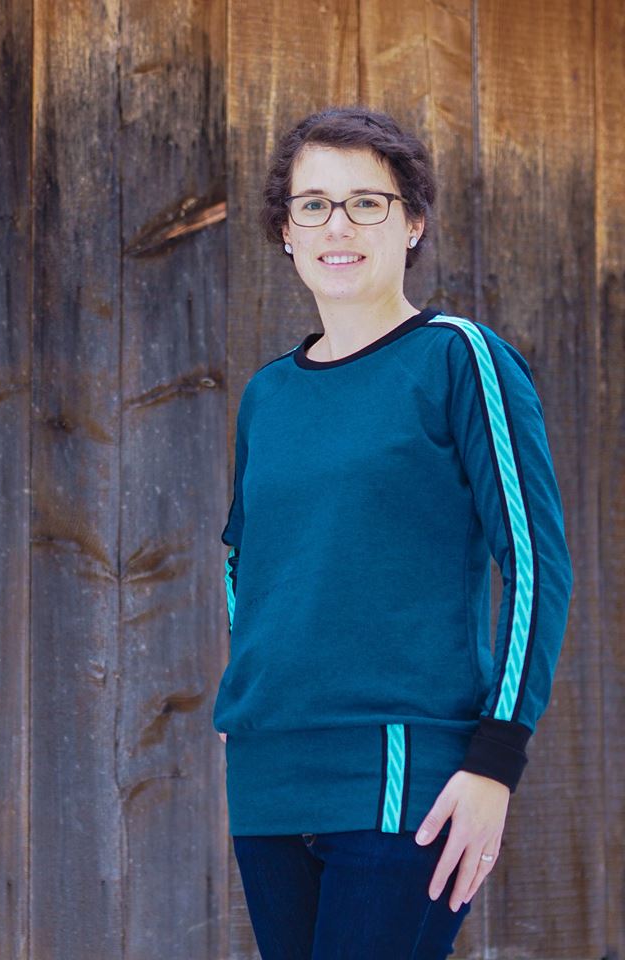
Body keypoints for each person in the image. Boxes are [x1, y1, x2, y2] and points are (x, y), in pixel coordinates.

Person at [211, 105, 573, 960]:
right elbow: (243, 559)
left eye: (366, 203)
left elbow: (535, 563)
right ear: (286, 232)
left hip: (404, 771)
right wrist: (255, 684)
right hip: (268, 776)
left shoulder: (458, 358)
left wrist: (495, 760)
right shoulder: (268, 394)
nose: (337, 226)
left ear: (412, 224)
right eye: (313, 205)